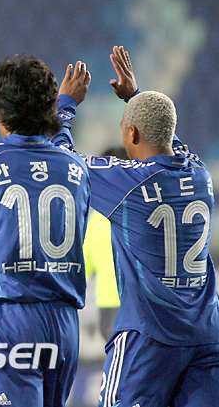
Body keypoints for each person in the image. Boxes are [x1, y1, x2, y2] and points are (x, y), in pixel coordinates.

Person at [53, 46, 219, 406]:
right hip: (210, 336)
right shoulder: (200, 175)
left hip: (150, 336)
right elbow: (171, 141)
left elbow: (62, 162)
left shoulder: (128, 183)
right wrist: (135, 97)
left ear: (132, 134)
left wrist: (66, 104)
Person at [0, 55, 91, 407]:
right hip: (63, 322)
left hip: (9, 319)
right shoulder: (77, 167)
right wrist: (66, 107)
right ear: (49, 109)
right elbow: (60, 145)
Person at [83, 146, 127, 342]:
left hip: (108, 307)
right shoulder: (144, 213)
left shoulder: (96, 219)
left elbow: (82, 269)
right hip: (142, 304)